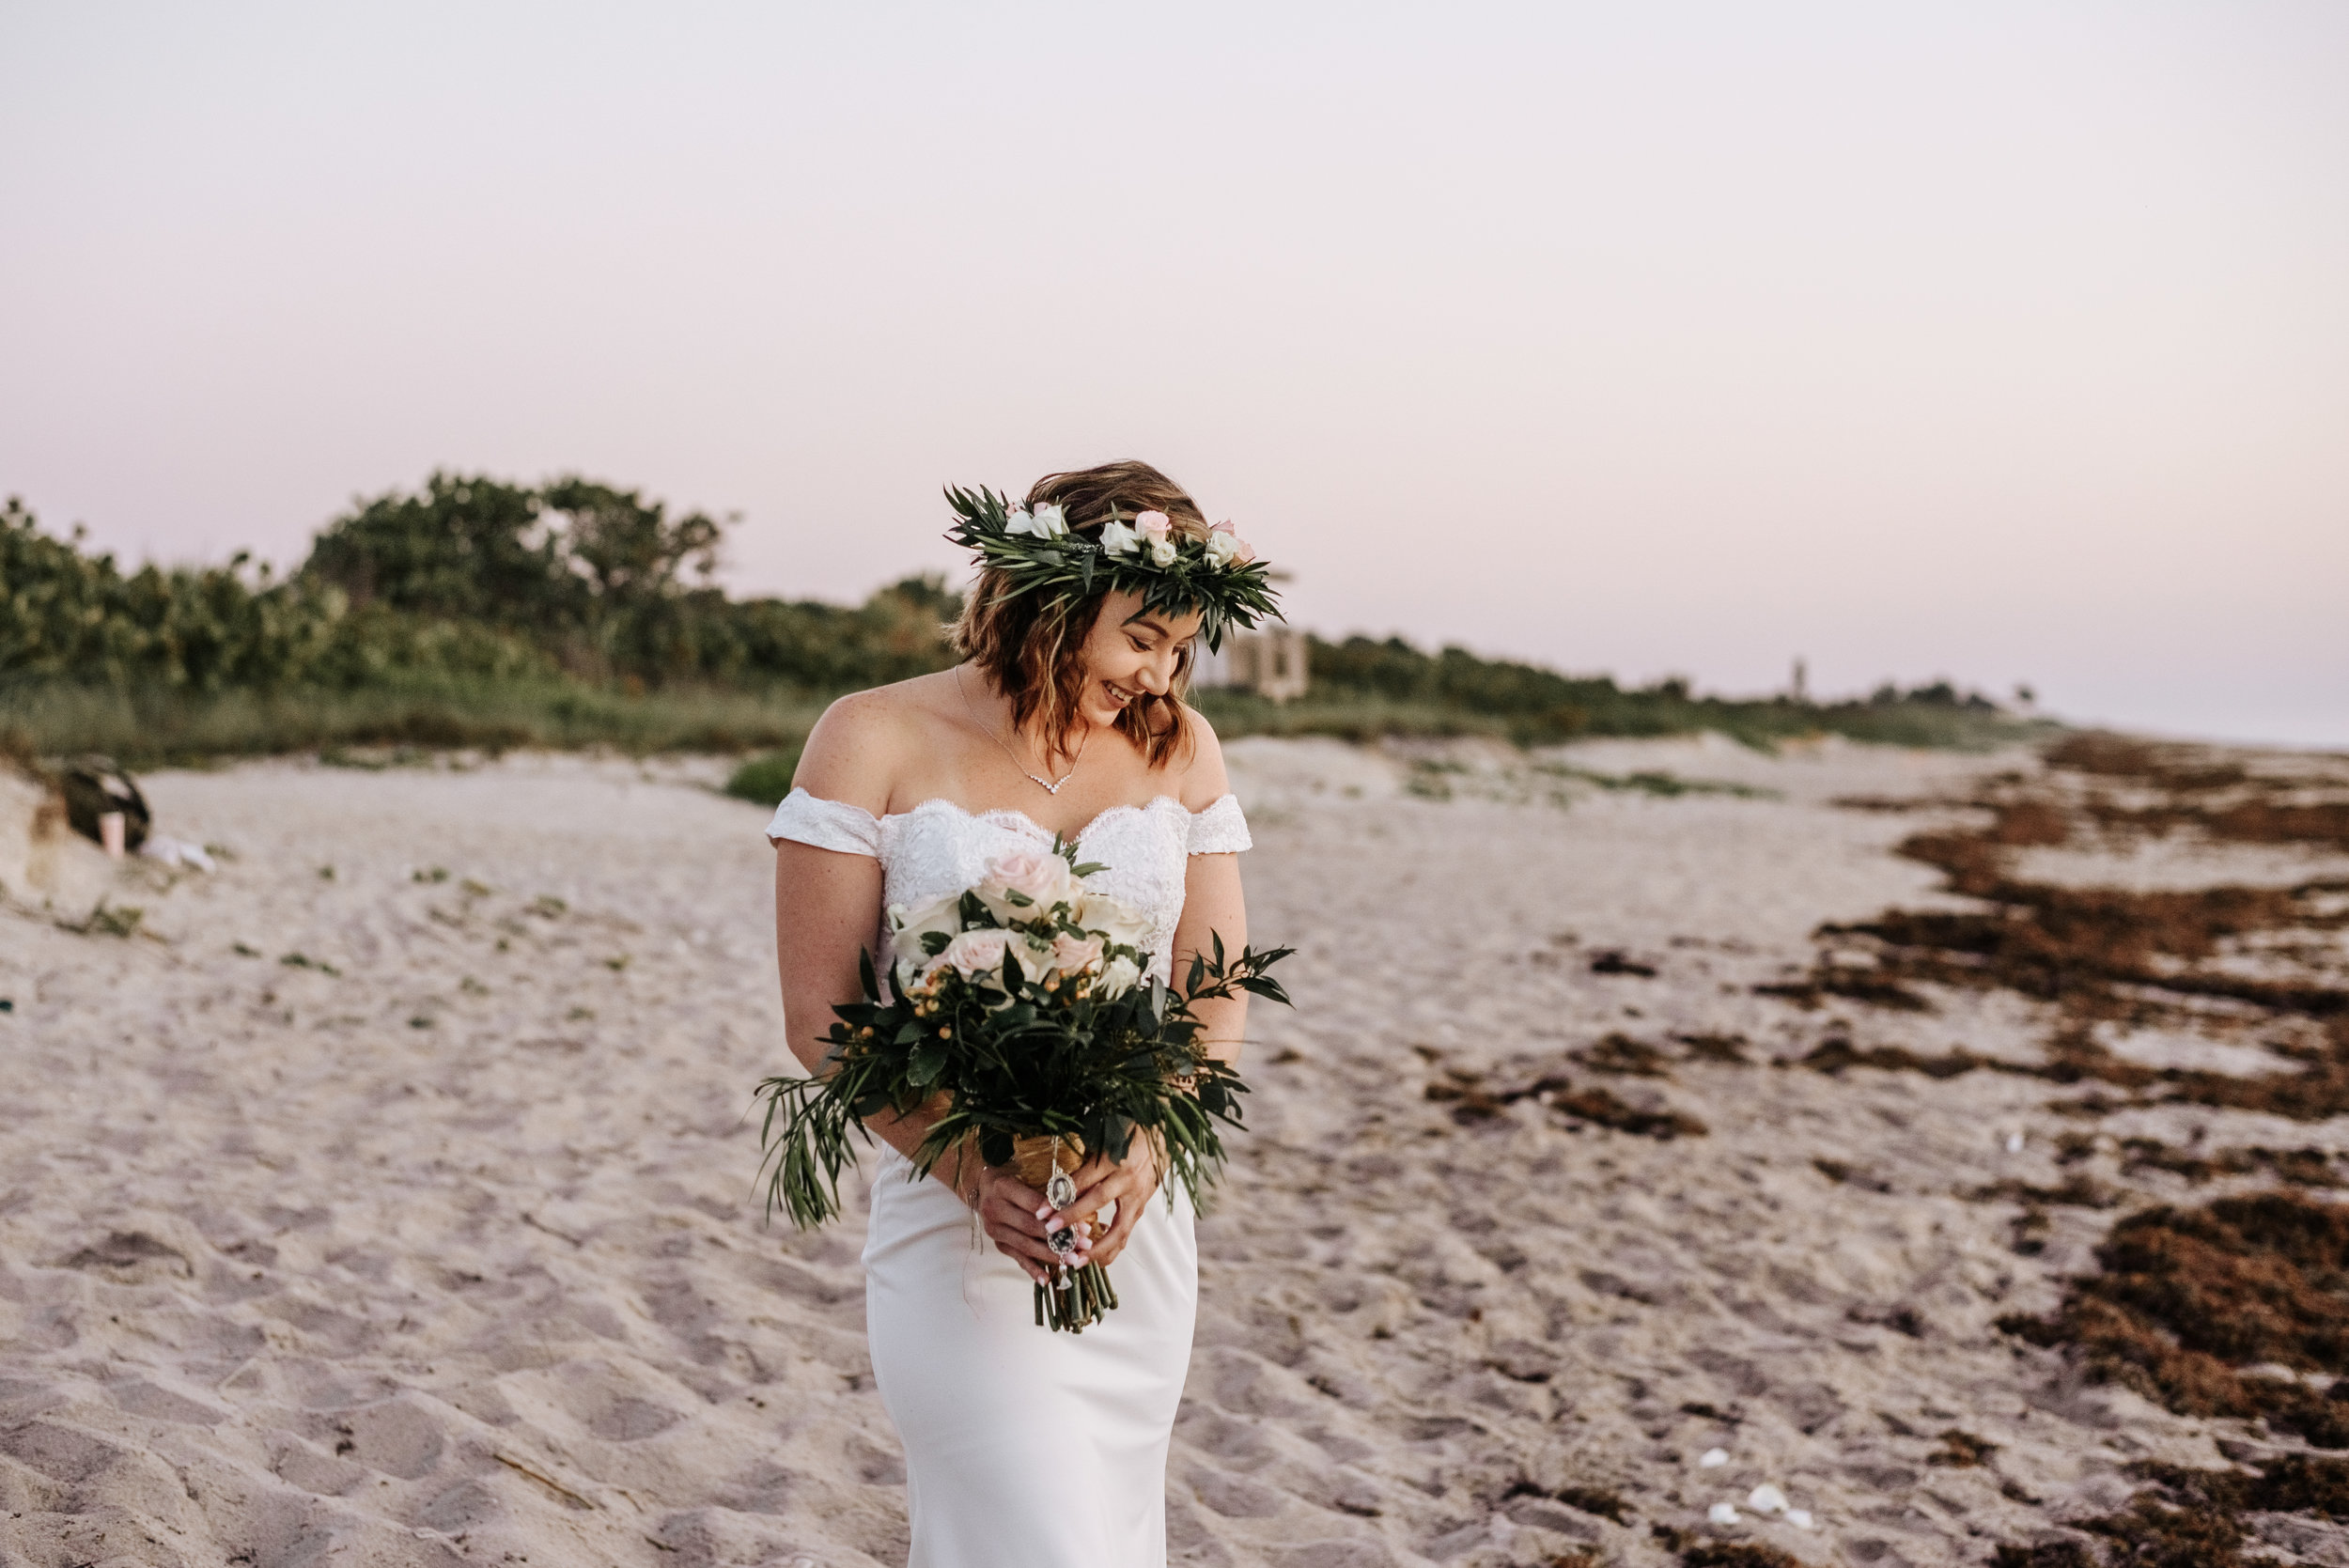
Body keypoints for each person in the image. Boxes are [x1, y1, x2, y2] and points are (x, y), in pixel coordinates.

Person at [766, 460, 1280, 1567]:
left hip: (1130, 1221)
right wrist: (973, 1173)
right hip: (960, 1211)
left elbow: (1214, 987)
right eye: (1141, 636)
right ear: (1053, 599)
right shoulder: (868, 735)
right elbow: (821, 1015)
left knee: (1100, 1529)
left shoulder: (1179, 747)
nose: (1160, 675)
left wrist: (1145, 1152)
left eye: (1182, 649)